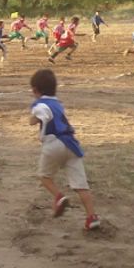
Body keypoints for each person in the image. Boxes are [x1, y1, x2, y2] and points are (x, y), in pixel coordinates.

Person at [28, 69, 100, 231]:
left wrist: (34, 118)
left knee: (44, 177)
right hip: (72, 145)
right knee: (81, 186)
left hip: (53, 143)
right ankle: (91, 217)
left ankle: (59, 197)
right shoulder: (58, 103)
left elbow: (42, 114)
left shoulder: (40, 104)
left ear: (35, 90)